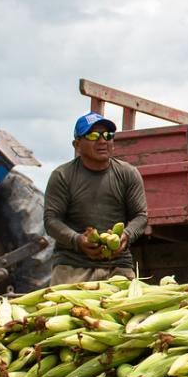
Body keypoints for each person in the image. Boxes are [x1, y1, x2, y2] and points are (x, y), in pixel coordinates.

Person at [44, 112, 148, 284]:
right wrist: (77, 240)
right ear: (77, 144)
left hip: (118, 267)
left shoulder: (127, 173)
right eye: (93, 135)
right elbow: (51, 220)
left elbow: (141, 216)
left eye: (108, 135)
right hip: (72, 267)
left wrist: (126, 236)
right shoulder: (63, 176)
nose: (102, 141)